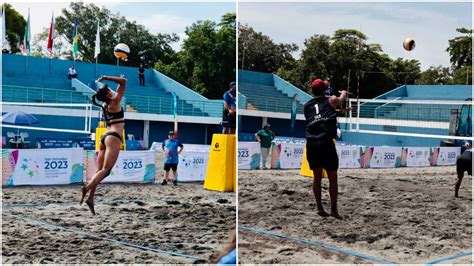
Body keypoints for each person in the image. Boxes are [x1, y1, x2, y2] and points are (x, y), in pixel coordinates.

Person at [80, 75, 127, 215]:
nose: (112, 91)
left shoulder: (105, 106)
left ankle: (91, 198)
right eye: (109, 90)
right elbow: (123, 83)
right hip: (113, 137)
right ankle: (87, 187)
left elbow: (119, 86)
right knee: (106, 170)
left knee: (99, 170)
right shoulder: (115, 102)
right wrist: (106, 77)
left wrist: (111, 83)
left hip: (104, 137)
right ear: (107, 94)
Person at [304, 78, 348, 219]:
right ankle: (334, 210)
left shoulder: (306, 105)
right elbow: (339, 99)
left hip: (312, 143)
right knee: (332, 178)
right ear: (324, 90)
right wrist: (344, 93)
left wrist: (336, 109)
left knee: (317, 178)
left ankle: (320, 208)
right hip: (326, 142)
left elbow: (319, 113)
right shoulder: (332, 100)